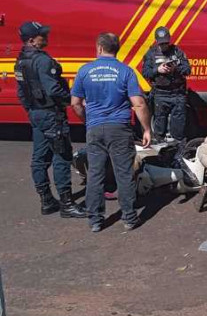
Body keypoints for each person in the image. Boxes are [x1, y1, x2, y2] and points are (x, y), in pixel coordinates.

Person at [70, 33, 153, 233]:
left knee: (95, 173)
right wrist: (147, 129)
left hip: (95, 128)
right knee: (123, 173)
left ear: (99, 48)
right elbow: (139, 103)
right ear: (117, 48)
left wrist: (88, 121)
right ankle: (129, 218)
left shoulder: (84, 71)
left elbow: (75, 103)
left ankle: (95, 220)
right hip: (119, 128)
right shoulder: (126, 71)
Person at [14, 21, 86, 219]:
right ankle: (67, 204)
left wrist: (31, 110)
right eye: (42, 35)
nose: (45, 37)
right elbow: (53, 89)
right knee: (61, 156)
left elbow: (21, 92)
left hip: (36, 114)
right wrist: (72, 100)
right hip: (51, 114)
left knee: (39, 158)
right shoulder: (42, 61)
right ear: (31, 40)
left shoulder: (20, 61)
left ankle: (46, 201)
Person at [141, 26, 191, 142]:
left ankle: (178, 150)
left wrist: (175, 68)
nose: (164, 46)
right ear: (156, 41)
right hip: (160, 95)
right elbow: (145, 73)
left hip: (177, 94)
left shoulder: (177, 52)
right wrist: (157, 70)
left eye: (166, 43)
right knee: (159, 131)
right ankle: (160, 148)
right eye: (161, 43)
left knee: (178, 132)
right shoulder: (151, 53)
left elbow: (187, 70)